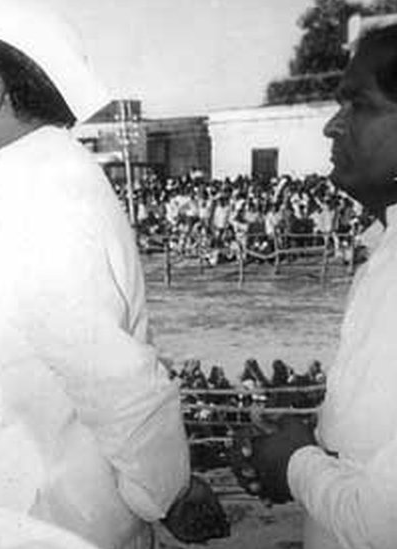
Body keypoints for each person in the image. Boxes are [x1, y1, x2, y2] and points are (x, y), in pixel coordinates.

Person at [0, 1, 191, 547]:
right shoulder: (8, 181)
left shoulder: (48, 199)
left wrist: (164, 495)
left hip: (42, 525)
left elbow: (113, 380)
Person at [243, 22, 397, 549]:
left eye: (361, 105)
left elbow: (385, 522)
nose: (333, 126)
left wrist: (294, 463)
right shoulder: (383, 248)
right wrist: (315, 436)